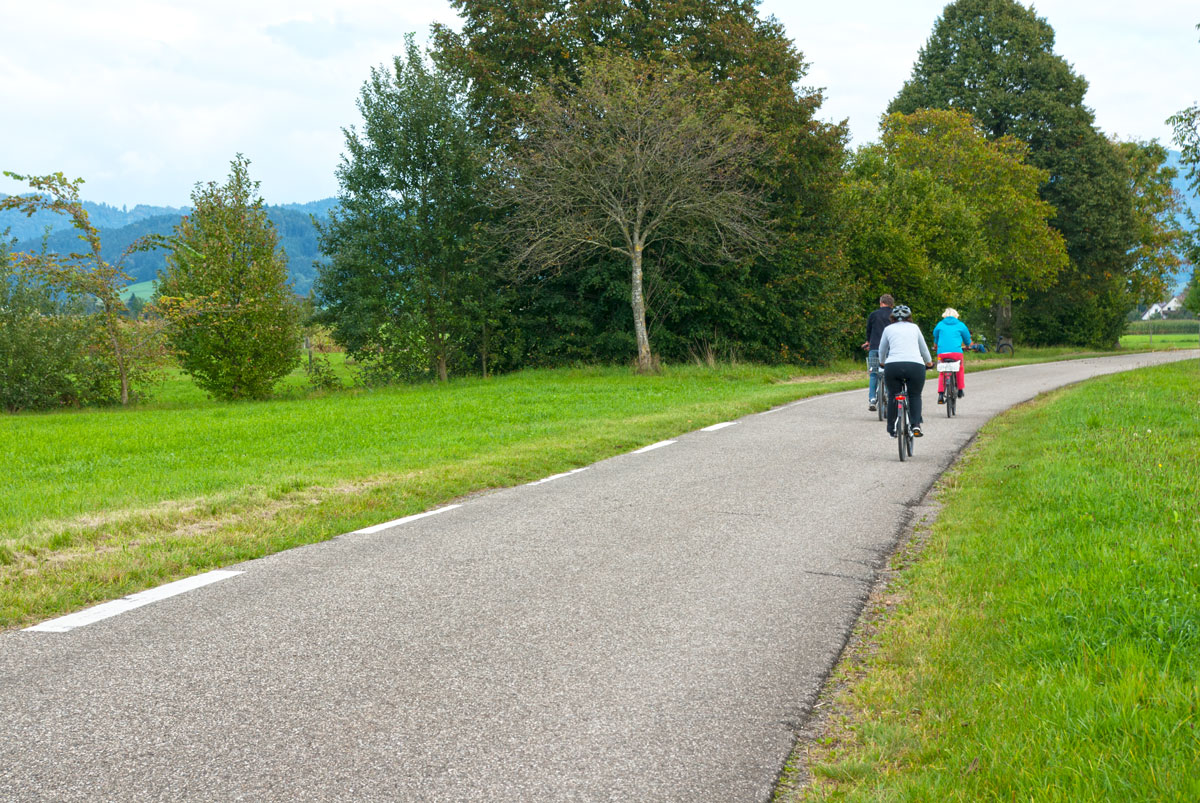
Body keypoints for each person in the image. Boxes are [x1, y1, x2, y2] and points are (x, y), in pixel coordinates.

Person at [878, 304, 933, 438]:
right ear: (909, 317)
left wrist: (882, 362)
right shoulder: (915, 328)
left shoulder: (888, 329)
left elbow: (882, 350)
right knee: (915, 395)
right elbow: (923, 348)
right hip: (915, 366)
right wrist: (929, 362)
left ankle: (891, 428)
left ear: (892, 318)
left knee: (892, 395)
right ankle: (915, 425)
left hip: (893, 366)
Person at [932, 308, 972, 404]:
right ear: (956, 316)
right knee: (960, 368)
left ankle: (941, 394)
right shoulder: (961, 325)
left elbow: (936, 338)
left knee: (942, 372)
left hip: (942, 354)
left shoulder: (940, 325)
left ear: (944, 316)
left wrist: (936, 347)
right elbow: (967, 340)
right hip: (956, 353)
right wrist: (967, 346)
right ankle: (960, 389)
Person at [861, 294, 894, 411]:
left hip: (874, 348)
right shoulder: (894, 315)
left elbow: (868, 331)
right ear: (891, 304)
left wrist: (868, 342)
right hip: (890, 349)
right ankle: (888, 398)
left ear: (881, 303)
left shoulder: (873, 315)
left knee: (873, 373)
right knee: (889, 375)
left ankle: (872, 399)